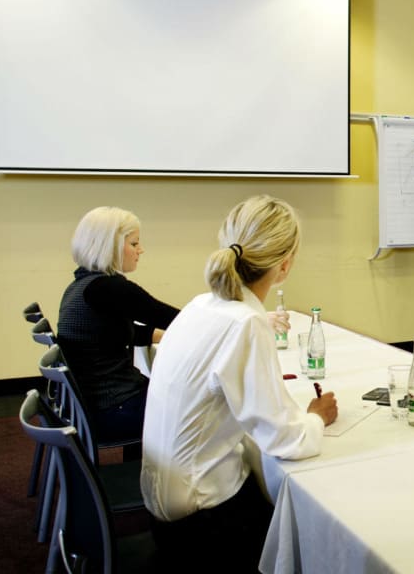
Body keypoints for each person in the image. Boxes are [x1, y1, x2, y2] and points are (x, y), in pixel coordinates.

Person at [141, 195, 338, 571]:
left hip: (163, 505)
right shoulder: (246, 322)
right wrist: (317, 416)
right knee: (310, 532)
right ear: (285, 264)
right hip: (200, 520)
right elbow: (286, 440)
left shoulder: (199, 305)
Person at [57, 206, 179, 444]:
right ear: (109, 246)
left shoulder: (80, 286)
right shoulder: (108, 287)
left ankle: (153, 463)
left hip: (93, 406)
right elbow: (174, 318)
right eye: (134, 243)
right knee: (204, 406)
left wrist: (160, 335)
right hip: (114, 408)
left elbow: (113, 333)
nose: (140, 250)